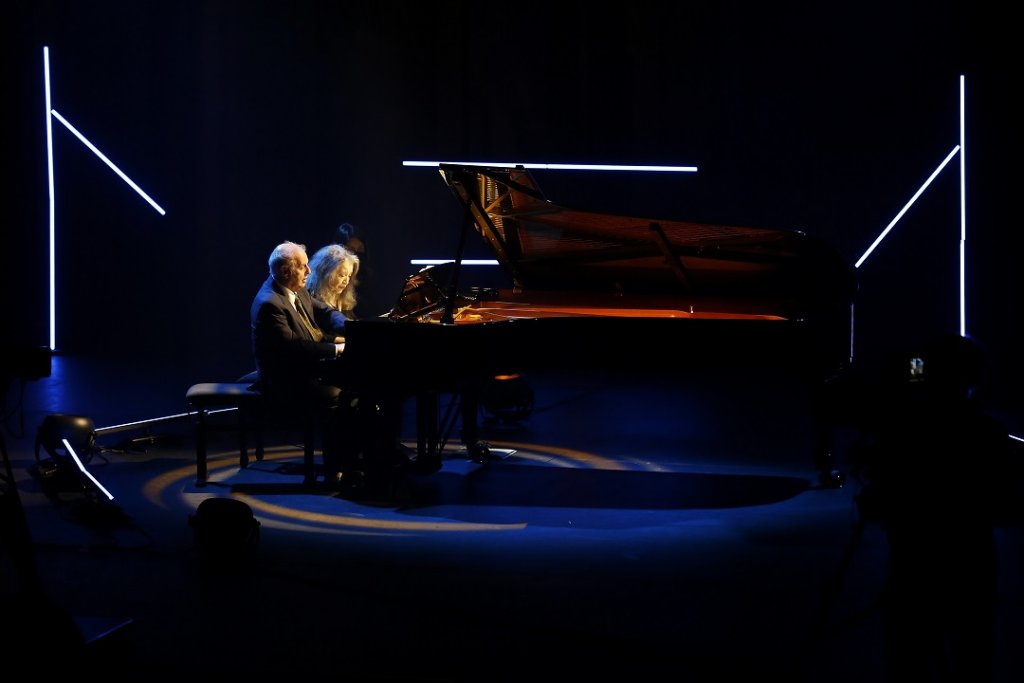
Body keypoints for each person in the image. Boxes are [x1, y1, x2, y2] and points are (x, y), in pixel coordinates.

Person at [851, 333, 1015, 682]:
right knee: (971, 651)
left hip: (914, 561)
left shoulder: (906, 436)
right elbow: (1004, 504)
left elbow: (879, 501)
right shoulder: (988, 433)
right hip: (972, 562)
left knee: (911, 651)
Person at [250, 241, 352, 485]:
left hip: (305, 369)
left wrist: (350, 329)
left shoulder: (298, 291)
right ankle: (333, 469)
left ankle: (355, 458)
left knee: (358, 385)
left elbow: (326, 314)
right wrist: (336, 348)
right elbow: (294, 348)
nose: (309, 271)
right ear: (287, 271)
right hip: (286, 380)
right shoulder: (269, 304)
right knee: (338, 394)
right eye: (304, 267)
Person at [307, 243, 360, 320]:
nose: (346, 281)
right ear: (324, 273)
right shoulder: (312, 303)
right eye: (342, 275)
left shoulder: (344, 301)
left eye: (349, 276)